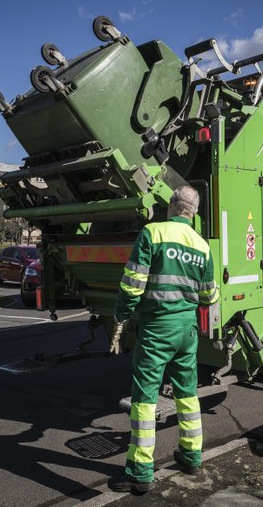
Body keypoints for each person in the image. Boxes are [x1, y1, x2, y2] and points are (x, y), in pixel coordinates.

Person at [108, 185, 220, 493]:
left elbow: (133, 283)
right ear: (193, 213)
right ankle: (191, 455)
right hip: (186, 331)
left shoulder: (152, 233)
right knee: (187, 393)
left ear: (172, 206)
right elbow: (210, 296)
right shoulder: (202, 245)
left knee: (145, 398)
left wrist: (121, 315)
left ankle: (141, 472)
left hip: (157, 328)